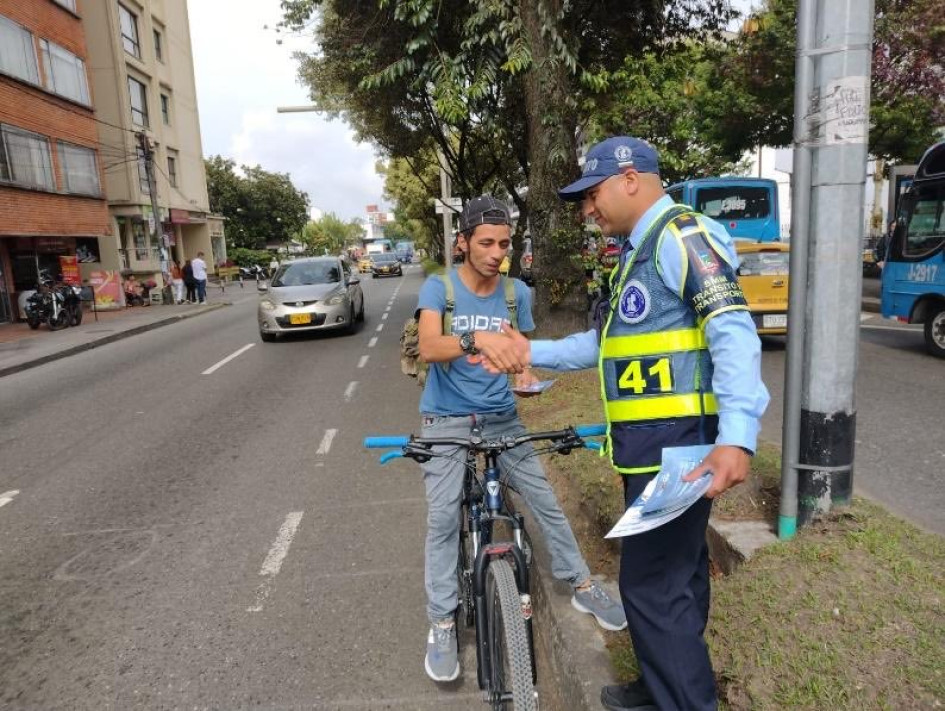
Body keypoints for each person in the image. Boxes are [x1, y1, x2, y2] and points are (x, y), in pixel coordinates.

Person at [478, 137, 770, 711]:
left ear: (630, 178)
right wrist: (532, 350)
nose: (588, 210)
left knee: (652, 587)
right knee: (676, 581)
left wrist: (738, 436)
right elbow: (607, 344)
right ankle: (662, 685)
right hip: (652, 451)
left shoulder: (682, 237)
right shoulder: (639, 252)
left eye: (593, 195)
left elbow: (732, 330)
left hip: (679, 450)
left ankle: (683, 700)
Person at [415, 195, 626, 684]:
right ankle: (442, 622)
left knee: (544, 500)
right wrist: (474, 340)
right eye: (485, 242)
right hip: (445, 420)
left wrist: (524, 377)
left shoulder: (515, 293)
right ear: (463, 242)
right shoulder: (439, 288)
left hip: (502, 418)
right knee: (444, 516)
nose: (496, 252)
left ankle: (581, 584)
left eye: (504, 243)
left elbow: (522, 353)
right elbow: (429, 347)